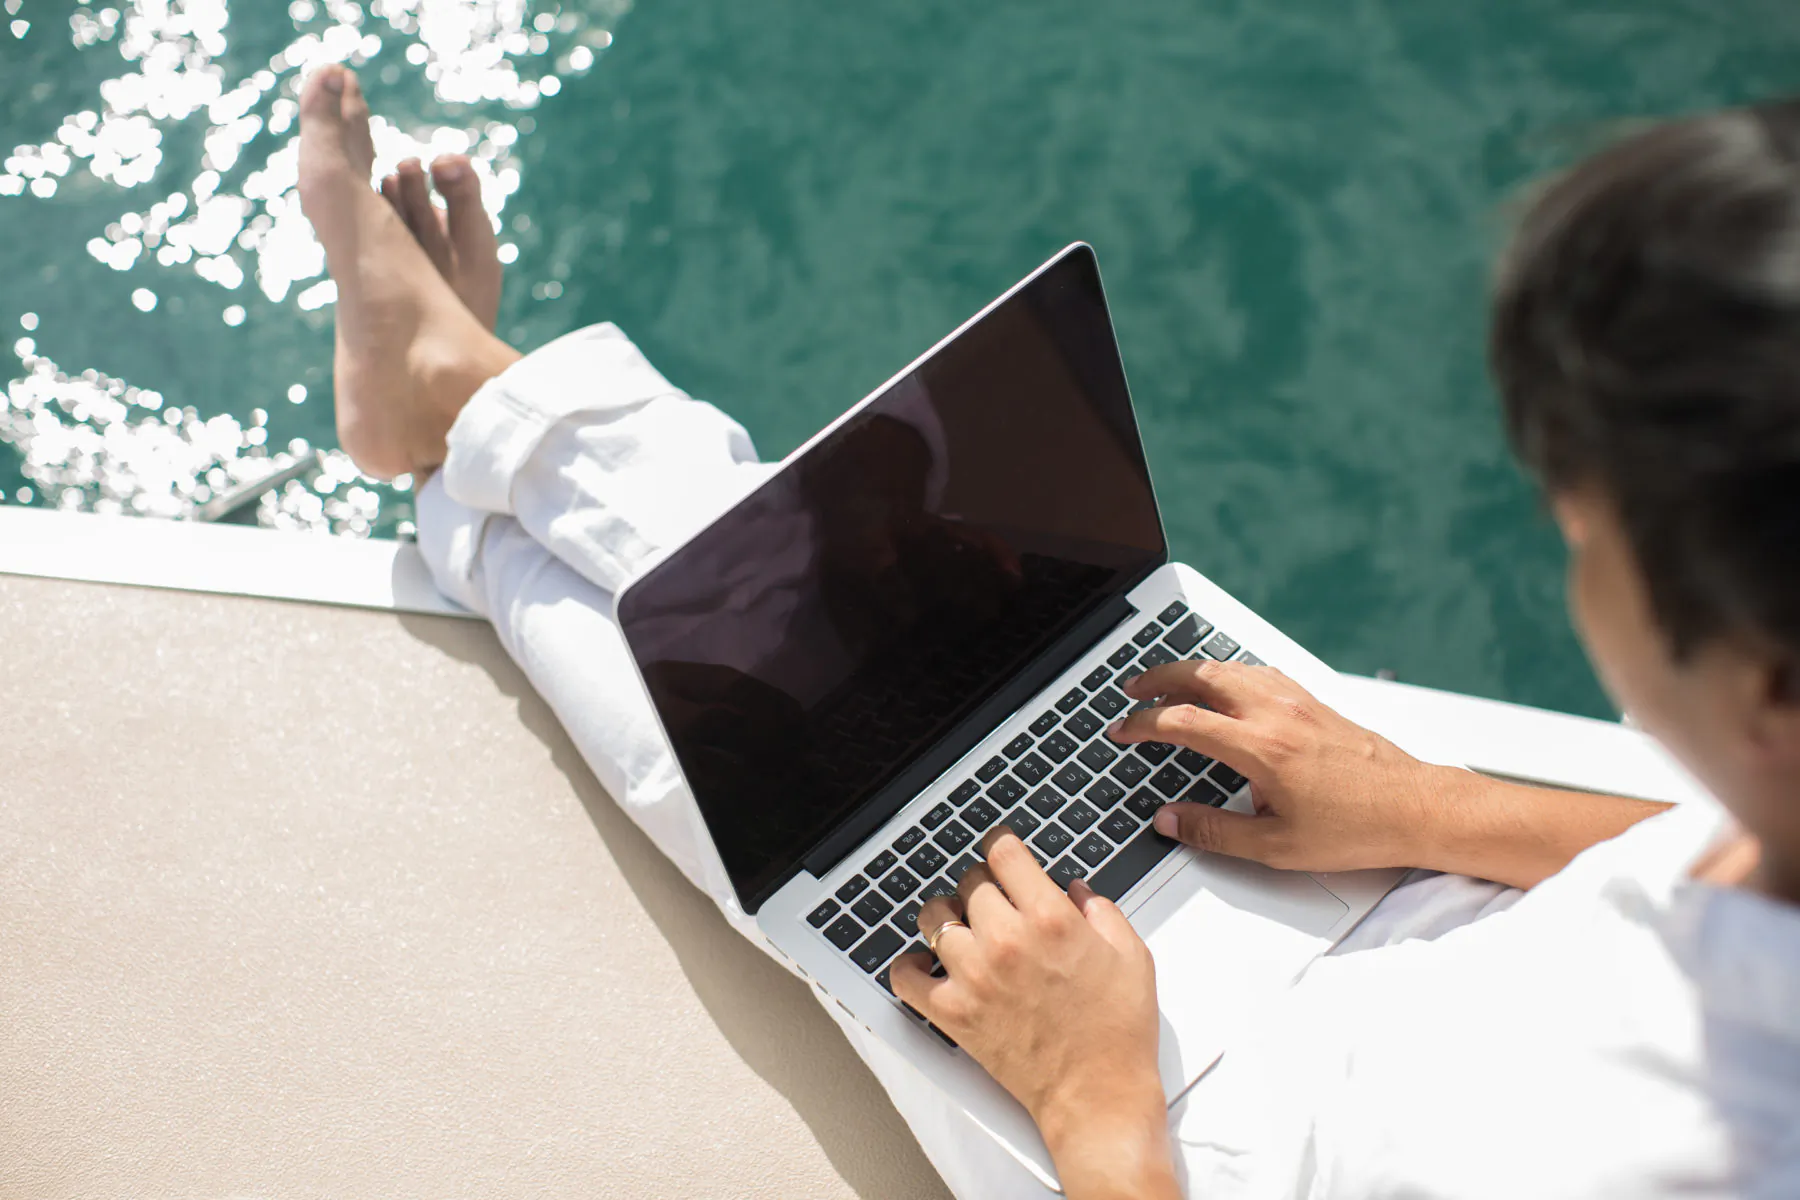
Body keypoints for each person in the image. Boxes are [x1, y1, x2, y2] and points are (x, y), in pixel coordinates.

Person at [297, 62, 1800, 1199]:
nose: (1566, 546)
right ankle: (447, 415)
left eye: (1587, 531)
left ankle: (452, 407)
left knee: (774, 736)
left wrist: (1096, 1108)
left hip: (1204, 1135)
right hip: (1425, 899)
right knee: (935, 660)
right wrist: (1427, 804)